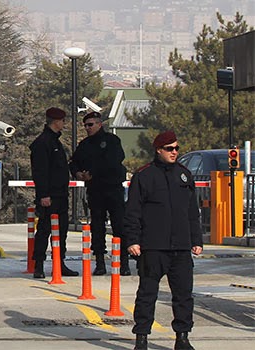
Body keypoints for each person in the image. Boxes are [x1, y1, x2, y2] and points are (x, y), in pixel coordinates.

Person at [124, 131, 203, 350]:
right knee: (147, 295)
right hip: (153, 247)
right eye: (170, 149)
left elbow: (191, 212)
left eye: (177, 148)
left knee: (183, 296)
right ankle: (141, 338)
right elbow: (133, 212)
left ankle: (182, 337)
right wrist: (133, 240)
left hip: (181, 247)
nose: (175, 152)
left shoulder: (184, 175)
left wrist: (196, 240)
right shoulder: (144, 175)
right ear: (158, 150)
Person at [68, 111, 130, 276]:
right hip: (95, 190)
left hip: (112, 188)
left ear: (99, 124)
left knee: (119, 226)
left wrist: (93, 172)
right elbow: (74, 162)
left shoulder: (111, 141)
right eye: (85, 125)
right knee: (97, 227)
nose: (88, 128)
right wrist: (78, 173)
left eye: (91, 124)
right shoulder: (85, 145)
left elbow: (113, 160)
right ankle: (100, 262)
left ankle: (123, 262)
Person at [29, 107, 79, 279]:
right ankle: (39, 264)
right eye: (63, 121)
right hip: (50, 196)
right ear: (56, 121)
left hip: (60, 194)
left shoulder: (56, 142)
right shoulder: (43, 143)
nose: (64, 124)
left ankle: (59, 262)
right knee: (44, 229)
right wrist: (43, 195)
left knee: (61, 230)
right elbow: (40, 171)